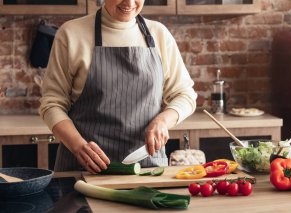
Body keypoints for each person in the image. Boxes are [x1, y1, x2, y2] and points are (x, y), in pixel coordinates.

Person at [39, 0, 197, 173]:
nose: (129, 2)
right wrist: (78, 146)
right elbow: (52, 103)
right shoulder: (71, 33)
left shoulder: (159, 34)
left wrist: (163, 121)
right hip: (84, 168)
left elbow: (184, 94)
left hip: (146, 168)